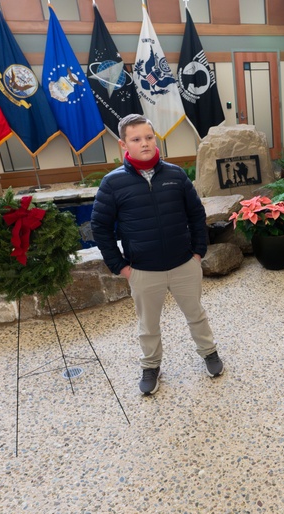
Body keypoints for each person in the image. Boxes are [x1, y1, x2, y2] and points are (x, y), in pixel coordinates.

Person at [91, 113, 223, 395]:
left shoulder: (175, 175)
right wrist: (121, 267)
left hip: (184, 265)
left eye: (149, 137)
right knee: (147, 325)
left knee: (196, 314)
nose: (145, 143)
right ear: (123, 145)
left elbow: (196, 215)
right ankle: (151, 366)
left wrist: (197, 253)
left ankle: (209, 352)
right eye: (136, 139)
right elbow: (100, 229)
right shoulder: (112, 184)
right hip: (143, 270)